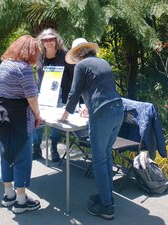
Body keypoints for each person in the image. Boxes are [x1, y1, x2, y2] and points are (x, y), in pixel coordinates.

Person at [60, 38, 124, 220]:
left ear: (78, 54)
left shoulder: (81, 66)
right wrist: (89, 104)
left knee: (99, 160)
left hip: (102, 114)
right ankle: (107, 196)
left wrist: (65, 114)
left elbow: (74, 92)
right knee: (105, 156)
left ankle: (106, 207)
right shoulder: (103, 62)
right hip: (118, 110)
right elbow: (102, 89)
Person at [0, 35, 42, 214]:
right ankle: (21, 201)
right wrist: (38, 115)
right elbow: (31, 97)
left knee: (6, 155)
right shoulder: (24, 68)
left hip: (2, 115)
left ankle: (9, 194)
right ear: (31, 51)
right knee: (22, 158)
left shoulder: (4, 64)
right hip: (19, 118)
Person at [32, 28, 74, 162]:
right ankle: (36, 148)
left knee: (55, 123)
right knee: (38, 121)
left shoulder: (65, 55)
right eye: (46, 40)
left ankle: (54, 149)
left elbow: (73, 75)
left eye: (52, 39)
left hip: (60, 95)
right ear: (42, 42)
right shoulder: (39, 56)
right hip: (42, 94)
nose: (49, 42)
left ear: (56, 41)